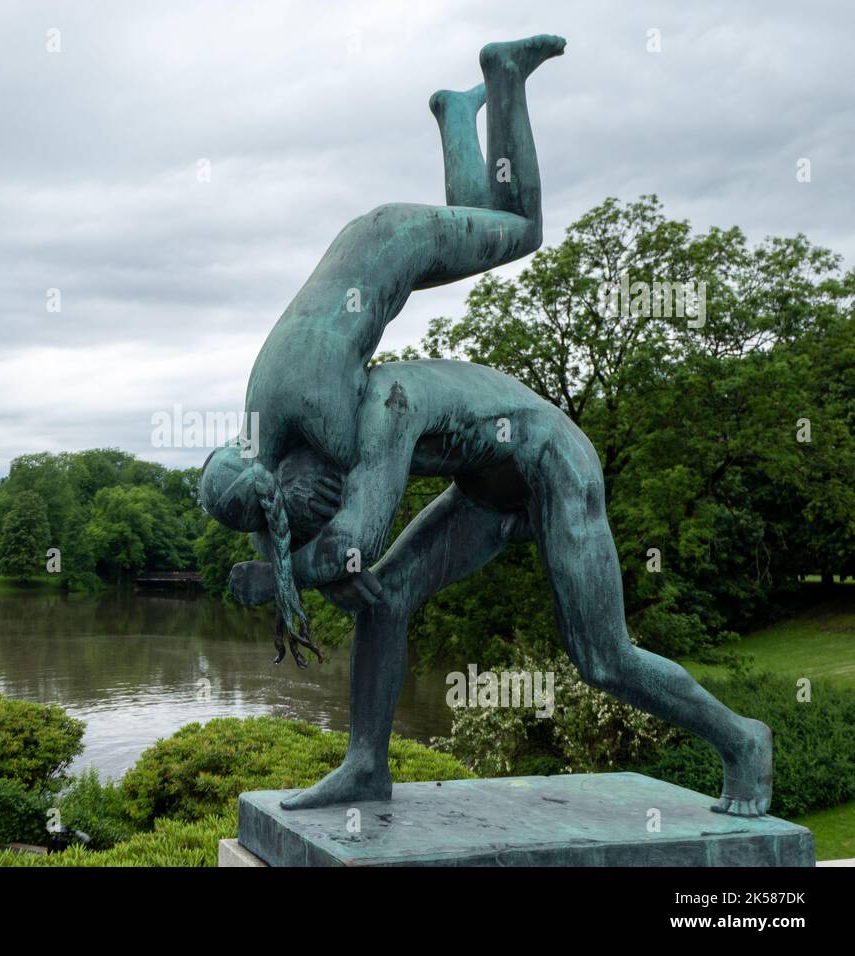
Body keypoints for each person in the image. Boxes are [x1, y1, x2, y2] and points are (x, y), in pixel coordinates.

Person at [199, 35, 773, 817]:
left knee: (601, 660)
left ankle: (743, 741)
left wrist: (278, 577)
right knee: (388, 598)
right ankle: (367, 767)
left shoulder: (373, 418)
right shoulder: (283, 423)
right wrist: (282, 560)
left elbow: (352, 544)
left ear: (324, 476)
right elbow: (322, 542)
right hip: (487, 483)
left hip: (550, 463)